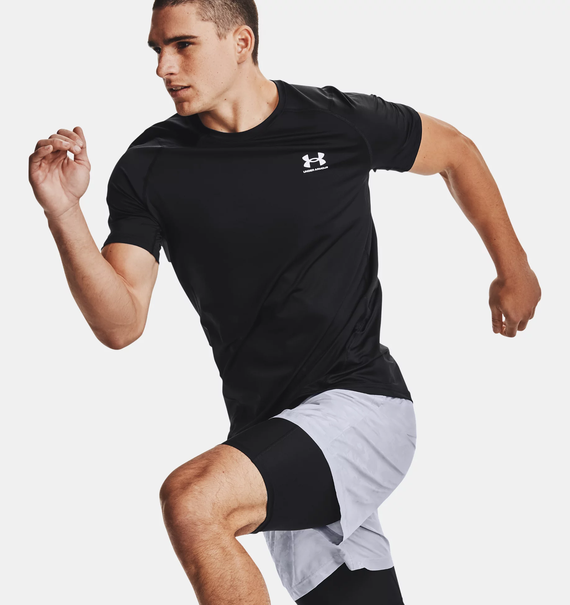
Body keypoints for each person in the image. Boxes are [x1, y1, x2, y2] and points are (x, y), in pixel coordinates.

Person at [28, 0, 541, 603]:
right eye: (157, 50)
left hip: (361, 403)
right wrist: (64, 212)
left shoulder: (335, 122)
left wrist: (514, 268)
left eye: (183, 45)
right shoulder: (150, 166)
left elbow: (454, 150)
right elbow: (121, 323)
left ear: (241, 42)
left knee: (195, 501)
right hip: (269, 434)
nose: (163, 67)